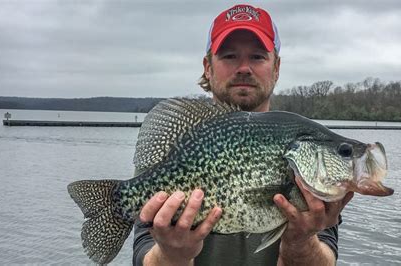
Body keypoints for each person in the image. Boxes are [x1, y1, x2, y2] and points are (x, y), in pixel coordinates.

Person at [133, 4, 353, 266]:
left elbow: (326, 258)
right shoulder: (182, 139)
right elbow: (144, 257)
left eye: (258, 57)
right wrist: (172, 254)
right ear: (207, 67)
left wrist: (300, 241)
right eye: (229, 56)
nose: (244, 68)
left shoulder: (308, 146)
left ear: (277, 67)